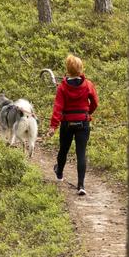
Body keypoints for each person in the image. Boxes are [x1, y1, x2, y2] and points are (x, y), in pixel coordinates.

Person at [48, 54, 99, 196]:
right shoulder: (88, 84)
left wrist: (53, 126)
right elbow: (95, 102)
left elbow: (57, 108)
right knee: (81, 153)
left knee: (63, 150)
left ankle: (59, 174)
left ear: (68, 69)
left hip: (67, 123)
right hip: (83, 122)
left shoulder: (62, 87)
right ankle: (81, 185)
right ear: (81, 68)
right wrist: (88, 113)